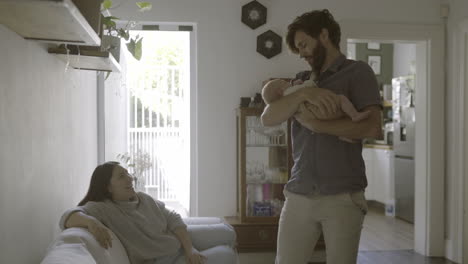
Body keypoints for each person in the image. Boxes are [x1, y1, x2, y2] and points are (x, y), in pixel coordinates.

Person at [261, 9, 383, 264]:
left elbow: (372, 128)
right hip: (298, 193)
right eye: (298, 49)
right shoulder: (301, 82)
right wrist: (303, 95)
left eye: (304, 44)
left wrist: (317, 125)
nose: (302, 53)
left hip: (343, 196)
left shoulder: (357, 72)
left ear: (324, 35)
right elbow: (267, 118)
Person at [59, 161, 232, 264]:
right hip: (165, 259)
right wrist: (92, 223)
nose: (130, 178)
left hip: (178, 241)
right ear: (107, 187)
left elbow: (173, 218)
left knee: (228, 233)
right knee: (227, 253)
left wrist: (190, 248)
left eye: (127, 173)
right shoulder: (104, 209)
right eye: (121, 176)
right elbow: (67, 217)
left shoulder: (142, 198)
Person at [261, 78, 371, 143]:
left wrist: (314, 125)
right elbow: (266, 120)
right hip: (321, 109)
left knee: (338, 117)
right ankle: (354, 115)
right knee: (342, 100)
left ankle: (343, 134)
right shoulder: (291, 91)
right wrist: (306, 86)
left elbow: (373, 128)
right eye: (283, 82)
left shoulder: (288, 102)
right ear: (280, 91)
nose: (288, 82)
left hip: (315, 115)